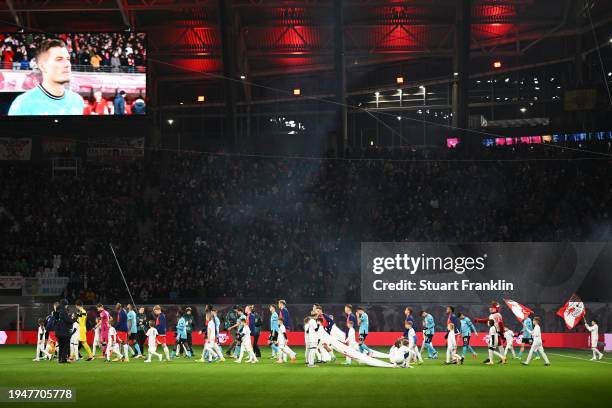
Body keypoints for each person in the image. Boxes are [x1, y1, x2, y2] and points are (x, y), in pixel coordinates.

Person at [8, 39, 84, 115]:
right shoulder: (23, 103)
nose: (67, 64)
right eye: (59, 59)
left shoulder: (77, 101)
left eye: (68, 59)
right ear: (43, 66)